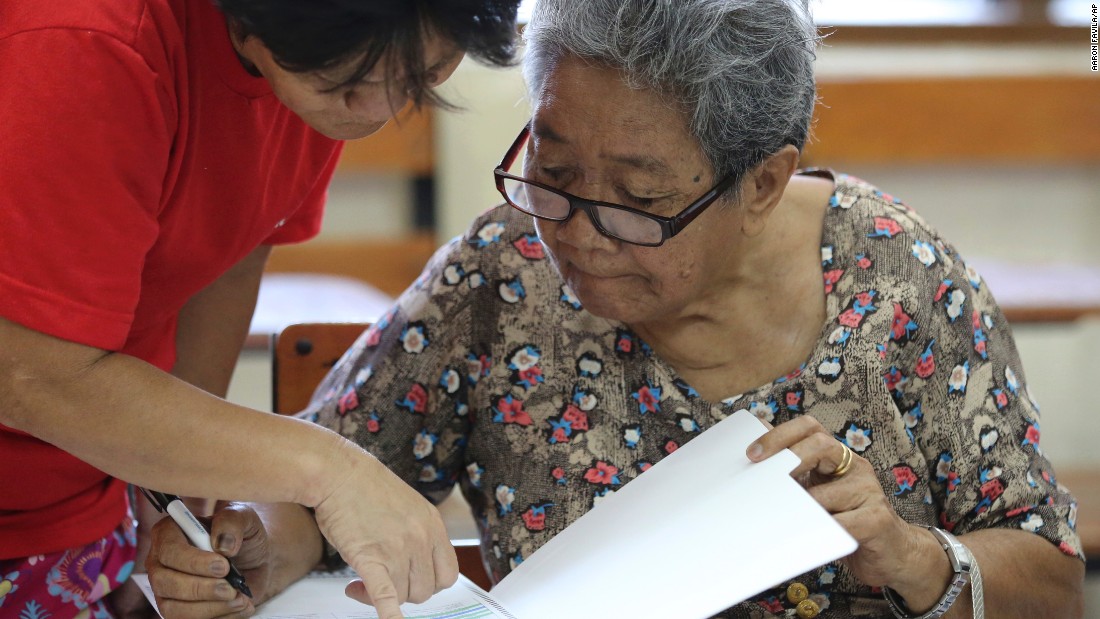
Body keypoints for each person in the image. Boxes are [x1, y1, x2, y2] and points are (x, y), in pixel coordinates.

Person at [144, 0, 1086, 617]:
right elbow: (328, 475)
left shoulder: (901, 280)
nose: (578, 233)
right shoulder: (501, 273)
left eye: (637, 198)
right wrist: (248, 546)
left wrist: (915, 557)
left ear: (763, 183)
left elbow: (1051, 580)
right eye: (551, 171)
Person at [0, 1, 521, 618]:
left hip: (80, 490)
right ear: (243, 20)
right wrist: (331, 471)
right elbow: (32, 373)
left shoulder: (327, 57)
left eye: (422, 75)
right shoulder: (82, 44)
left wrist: (182, 494)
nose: (378, 112)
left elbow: (226, 257)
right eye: (346, 86)